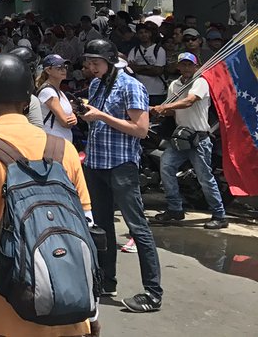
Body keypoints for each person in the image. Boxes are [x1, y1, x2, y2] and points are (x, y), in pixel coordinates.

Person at [0, 53, 96, 337]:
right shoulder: (62, 149)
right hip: (69, 315)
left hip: (6, 317)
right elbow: (86, 231)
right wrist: (92, 312)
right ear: (28, 99)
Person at [78, 38, 162, 314]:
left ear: (111, 62)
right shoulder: (96, 84)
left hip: (121, 165)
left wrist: (101, 116)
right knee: (101, 227)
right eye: (89, 63)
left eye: (96, 63)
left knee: (137, 227)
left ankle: (152, 292)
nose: (91, 68)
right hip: (97, 163)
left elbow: (140, 129)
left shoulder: (131, 86)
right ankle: (106, 281)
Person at [150, 52, 227, 229]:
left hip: (199, 138)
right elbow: (173, 111)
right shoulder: (174, 85)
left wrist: (164, 106)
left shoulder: (200, 82)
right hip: (180, 137)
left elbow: (189, 101)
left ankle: (220, 215)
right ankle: (175, 209)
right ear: (178, 66)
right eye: (183, 65)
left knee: (205, 177)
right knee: (166, 167)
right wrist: (158, 111)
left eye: (189, 65)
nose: (186, 68)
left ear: (196, 66)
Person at [37, 54, 77, 143]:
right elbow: (65, 122)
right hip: (53, 143)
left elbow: (69, 115)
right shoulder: (48, 92)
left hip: (62, 142)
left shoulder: (59, 92)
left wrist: (73, 117)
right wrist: (73, 120)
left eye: (65, 67)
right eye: (59, 67)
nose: (63, 70)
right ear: (48, 70)